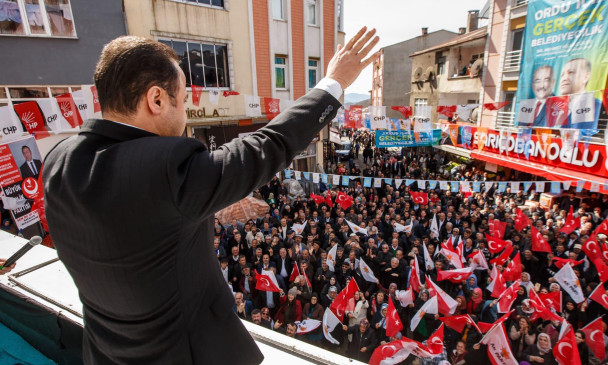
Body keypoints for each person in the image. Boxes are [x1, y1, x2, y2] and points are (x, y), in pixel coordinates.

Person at [42, 28, 379, 364]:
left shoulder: (59, 163)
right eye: (184, 100)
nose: (186, 113)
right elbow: (267, 146)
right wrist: (334, 82)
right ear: (156, 99)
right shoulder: (166, 170)